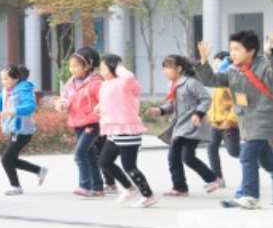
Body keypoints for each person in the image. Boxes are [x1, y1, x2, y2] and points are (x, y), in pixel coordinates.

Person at [196, 30, 273, 209]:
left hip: (265, 119)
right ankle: (243, 195)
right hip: (246, 123)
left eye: (237, 49)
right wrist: (203, 62)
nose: (233, 53)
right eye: (231, 49)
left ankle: (249, 196)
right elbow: (211, 80)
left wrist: (270, 53)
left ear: (251, 51)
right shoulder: (232, 70)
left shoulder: (264, 66)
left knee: (246, 155)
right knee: (266, 160)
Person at [147, 55, 220, 197]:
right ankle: (181, 187)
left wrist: (198, 114)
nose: (165, 71)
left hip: (192, 126)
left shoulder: (191, 83)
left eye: (168, 68)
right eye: (163, 69)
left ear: (179, 69)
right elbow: (172, 105)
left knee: (183, 157)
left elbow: (206, 99)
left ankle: (211, 179)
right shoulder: (172, 85)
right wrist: (159, 110)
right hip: (179, 127)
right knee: (177, 157)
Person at [96, 54, 157, 207]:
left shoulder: (123, 82)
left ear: (114, 68)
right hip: (114, 130)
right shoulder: (106, 84)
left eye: (104, 68)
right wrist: (100, 107)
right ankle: (129, 187)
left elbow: (129, 78)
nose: (101, 72)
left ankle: (148, 196)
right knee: (104, 162)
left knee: (129, 166)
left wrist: (119, 67)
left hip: (127, 129)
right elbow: (111, 102)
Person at [0, 64, 47, 195]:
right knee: (12, 160)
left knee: (6, 159)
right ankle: (39, 170)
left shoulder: (24, 90)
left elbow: (30, 107)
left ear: (16, 79)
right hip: (14, 129)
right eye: (2, 79)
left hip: (23, 130)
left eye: (6, 79)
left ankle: (16, 186)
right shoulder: (6, 90)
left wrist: (12, 111)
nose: (3, 82)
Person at [54, 47, 104, 197]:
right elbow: (65, 98)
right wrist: (62, 104)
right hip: (77, 123)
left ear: (87, 66)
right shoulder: (70, 83)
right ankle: (98, 187)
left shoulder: (96, 83)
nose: (72, 69)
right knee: (89, 155)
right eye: (71, 66)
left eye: (76, 66)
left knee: (79, 153)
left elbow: (105, 99)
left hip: (92, 123)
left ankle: (84, 186)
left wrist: (100, 107)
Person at [206, 52, 240, 187]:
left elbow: (237, 104)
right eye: (214, 61)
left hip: (228, 124)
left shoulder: (229, 81)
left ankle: (258, 153)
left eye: (219, 61)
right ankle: (218, 179)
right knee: (211, 148)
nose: (215, 64)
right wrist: (210, 116)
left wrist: (229, 121)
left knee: (234, 151)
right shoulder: (217, 81)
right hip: (215, 123)